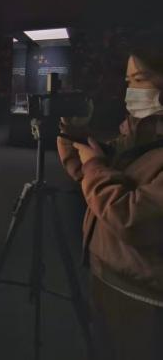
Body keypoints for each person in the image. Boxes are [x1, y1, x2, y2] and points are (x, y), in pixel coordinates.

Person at [57, 36, 163, 360]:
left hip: (143, 295)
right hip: (110, 274)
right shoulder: (139, 132)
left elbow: (130, 217)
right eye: (128, 81)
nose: (131, 90)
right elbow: (95, 178)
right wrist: (72, 135)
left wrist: (94, 164)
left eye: (140, 79)